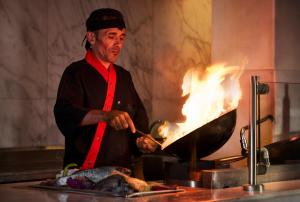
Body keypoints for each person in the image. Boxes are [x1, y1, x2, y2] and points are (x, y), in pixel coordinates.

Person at [54, 8, 157, 170]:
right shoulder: (75, 72)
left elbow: (138, 123)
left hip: (120, 175)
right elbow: (65, 113)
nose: (118, 44)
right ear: (92, 37)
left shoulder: (124, 76)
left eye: (122, 38)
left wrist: (142, 141)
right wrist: (105, 115)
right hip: (81, 176)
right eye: (111, 36)